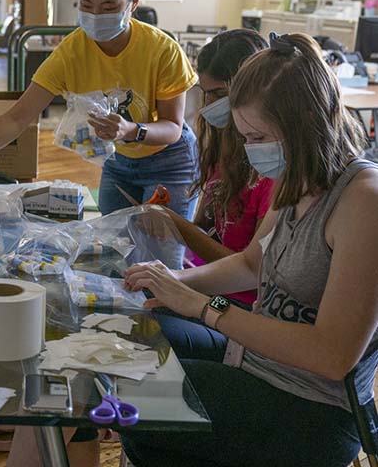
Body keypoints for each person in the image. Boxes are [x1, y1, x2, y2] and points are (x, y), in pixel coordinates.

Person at [120, 32, 377, 466]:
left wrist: (203, 307)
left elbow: (332, 356)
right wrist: (174, 282)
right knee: (133, 363)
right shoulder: (300, 177)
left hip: (312, 410)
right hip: (256, 364)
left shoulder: (363, 201)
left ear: (306, 124)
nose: (250, 150)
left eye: (258, 137)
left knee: (137, 395)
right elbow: (253, 263)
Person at [0, 0, 199, 221]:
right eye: (86, 5)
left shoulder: (162, 50)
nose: (96, 15)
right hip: (119, 161)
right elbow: (17, 118)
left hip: (169, 161)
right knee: (116, 246)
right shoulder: (71, 52)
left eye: (109, 7)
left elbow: (172, 128)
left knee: (160, 255)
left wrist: (130, 130)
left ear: (134, 2)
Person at [152, 30, 273, 362]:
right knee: (137, 300)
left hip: (234, 307)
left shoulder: (273, 173)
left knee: (151, 325)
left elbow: (250, 271)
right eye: (204, 94)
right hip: (211, 294)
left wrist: (180, 231)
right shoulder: (224, 151)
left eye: (218, 94)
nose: (208, 107)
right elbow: (206, 228)